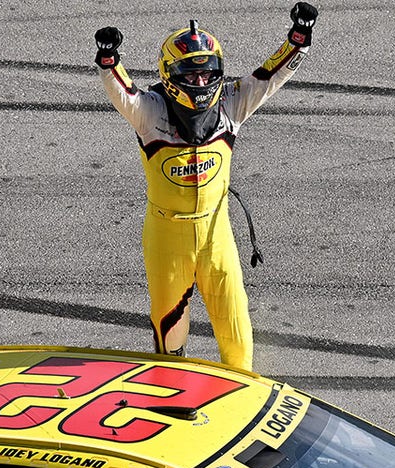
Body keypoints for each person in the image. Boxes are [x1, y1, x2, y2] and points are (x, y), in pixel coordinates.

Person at [94, 3, 318, 371]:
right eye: (190, 74)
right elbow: (123, 93)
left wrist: (299, 39)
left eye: (207, 74)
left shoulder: (232, 102)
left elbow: (271, 76)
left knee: (237, 334)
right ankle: (168, 401)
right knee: (169, 338)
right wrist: (109, 61)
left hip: (217, 233)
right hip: (167, 238)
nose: (200, 82)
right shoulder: (150, 112)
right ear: (169, 75)